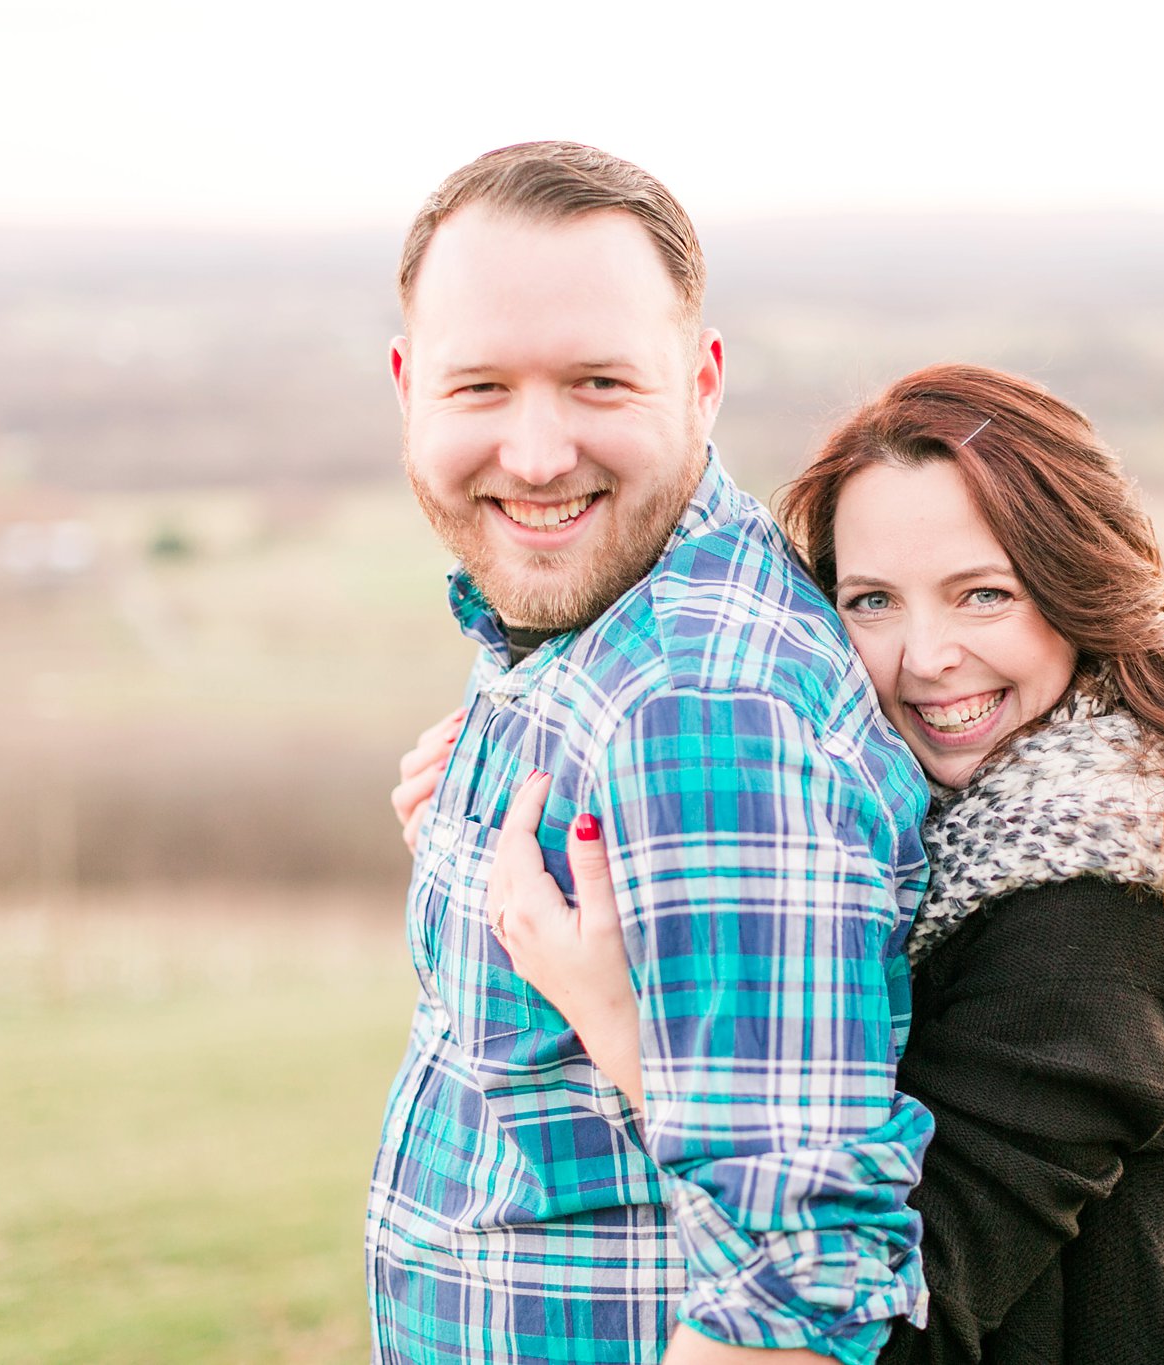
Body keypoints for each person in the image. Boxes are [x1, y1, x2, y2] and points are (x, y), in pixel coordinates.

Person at [399, 365, 1164, 1362]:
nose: (925, 655)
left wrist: (614, 1023)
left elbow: (886, 1328)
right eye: (872, 601)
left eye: (983, 595)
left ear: (1079, 593)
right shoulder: (928, 825)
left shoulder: (1098, 917)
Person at [366, 141, 935, 1365]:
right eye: (480, 391)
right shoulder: (573, 636)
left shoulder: (701, 708)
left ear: (701, 382)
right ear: (409, 388)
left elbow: (791, 1287)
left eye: (597, 385)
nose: (533, 453)